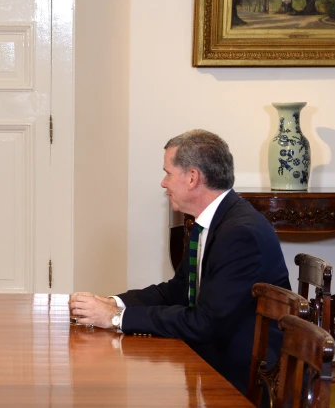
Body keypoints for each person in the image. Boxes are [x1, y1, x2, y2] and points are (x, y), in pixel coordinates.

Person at [68, 129, 290, 393]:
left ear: (192, 177)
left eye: (168, 173)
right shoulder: (212, 222)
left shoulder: (240, 234)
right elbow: (177, 290)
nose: (163, 183)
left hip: (240, 374)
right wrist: (113, 302)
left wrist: (116, 318)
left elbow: (204, 323)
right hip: (216, 355)